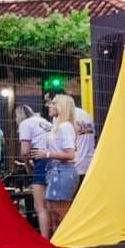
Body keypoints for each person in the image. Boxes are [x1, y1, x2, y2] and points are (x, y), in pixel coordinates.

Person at [37, 94, 79, 235]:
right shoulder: (59, 126)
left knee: (62, 214)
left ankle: (71, 242)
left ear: (62, 107)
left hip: (63, 171)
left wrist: (47, 154)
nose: (50, 105)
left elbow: (70, 154)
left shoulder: (65, 127)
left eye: (54, 103)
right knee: (54, 213)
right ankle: (59, 244)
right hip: (56, 171)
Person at [17, 102, 54, 236]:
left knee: (40, 206)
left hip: (42, 160)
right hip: (55, 159)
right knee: (51, 205)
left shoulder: (25, 124)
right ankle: (55, 237)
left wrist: (27, 165)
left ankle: (44, 240)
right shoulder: (43, 121)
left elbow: (25, 151)